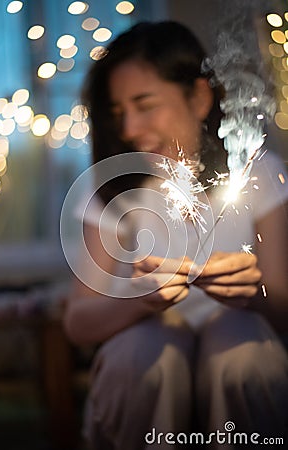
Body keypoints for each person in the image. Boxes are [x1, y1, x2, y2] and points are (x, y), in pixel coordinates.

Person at [63, 21, 288, 449]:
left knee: (243, 350)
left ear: (200, 98)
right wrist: (139, 300)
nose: (129, 128)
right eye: (118, 113)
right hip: (142, 355)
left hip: (241, 346)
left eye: (145, 105)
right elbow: (78, 320)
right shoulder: (113, 191)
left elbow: (281, 306)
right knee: (147, 354)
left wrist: (251, 294)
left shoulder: (257, 173)